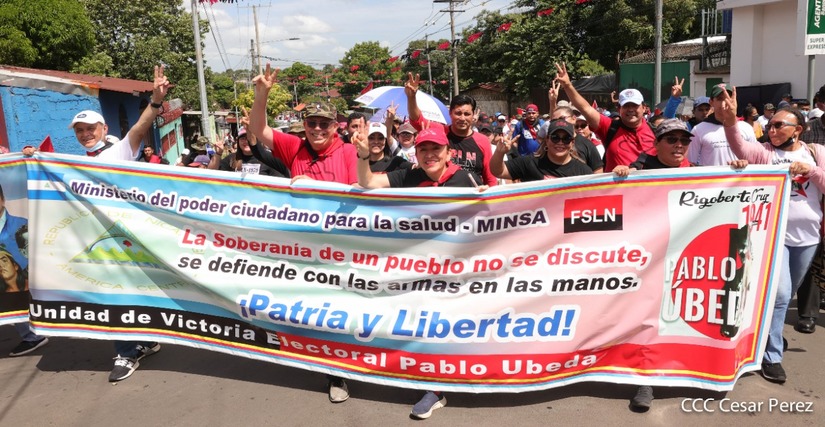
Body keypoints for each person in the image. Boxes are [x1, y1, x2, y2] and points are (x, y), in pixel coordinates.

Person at [26, 65, 170, 381]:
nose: (85, 134)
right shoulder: (77, 162)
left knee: (115, 294)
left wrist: (156, 101)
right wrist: (33, 157)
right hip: (97, 240)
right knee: (118, 292)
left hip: (123, 237)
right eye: (79, 130)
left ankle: (127, 353)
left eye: (90, 128)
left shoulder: (118, 151)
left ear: (103, 128)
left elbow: (139, 128)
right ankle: (143, 342)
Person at [614, 118, 747, 410]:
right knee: (649, 319)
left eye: (684, 141)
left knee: (688, 314)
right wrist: (623, 174)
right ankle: (645, 380)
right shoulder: (641, 169)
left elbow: (725, 193)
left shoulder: (697, 172)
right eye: (672, 140)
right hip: (649, 259)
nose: (679, 145)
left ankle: (694, 368)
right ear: (656, 143)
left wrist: (736, 171)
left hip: (685, 259)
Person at [354, 126, 485, 419]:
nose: (429, 155)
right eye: (423, 149)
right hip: (416, 269)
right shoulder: (410, 176)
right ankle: (432, 384)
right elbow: (368, 182)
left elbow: (492, 217)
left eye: (436, 149)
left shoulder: (465, 179)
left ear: (448, 153)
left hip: (455, 271)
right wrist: (362, 156)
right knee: (420, 324)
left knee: (446, 326)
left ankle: (439, 386)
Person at [718, 85, 825, 384]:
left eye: (779, 125)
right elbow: (741, 148)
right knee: (780, 294)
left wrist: (812, 171)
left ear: (798, 130)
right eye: (770, 125)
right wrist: (730, 120)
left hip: (807, 238)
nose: (771, 130)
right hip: (772, 236)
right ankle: (772, 356)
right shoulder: (765, 152)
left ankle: (768, 333)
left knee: (786, 294)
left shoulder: (816, 152)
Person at [250, 64, 357, 186]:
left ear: (335, 127)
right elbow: (257, 128)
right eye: (312, 123)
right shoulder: (294, 148)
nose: (317, 128)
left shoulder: (348, 151)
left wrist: (313, 186)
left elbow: (356, 192)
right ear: (305, 125)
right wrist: (261, 95)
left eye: (324, 124)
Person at [554, 62, 655, 172]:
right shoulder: (609, 127)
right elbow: (586, 108)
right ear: (619, 109)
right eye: (626, 106)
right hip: (615, 183)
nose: (630, 109)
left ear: (644, 108)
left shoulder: (656, 132)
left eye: (635, 105)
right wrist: (568, 85)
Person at [404, 72, 498, 187]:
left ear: (473, 115)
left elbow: (491, 179)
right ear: (450, 113)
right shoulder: (439, 131)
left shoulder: (482, 141)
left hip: (472, 194)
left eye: (467, 114)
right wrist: (411, 97)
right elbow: (416, 119)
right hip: (442, 193)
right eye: (458, 113)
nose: (462, 118)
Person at [0, 184, 48, 357]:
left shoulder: (21, 226)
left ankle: (33, 336)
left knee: (17, 296)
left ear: (2, 199)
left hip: (20, 283)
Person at [491, 120, 593, 181]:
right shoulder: (530, 163)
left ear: (572, 142)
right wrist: (499, 152)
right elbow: (498, 172)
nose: (560, 142)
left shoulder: (584, 172)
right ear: (547, 140)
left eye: (566, 139)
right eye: (555, 138)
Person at [688, 84, 758, 166]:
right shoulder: (698, 130)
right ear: (711, 102)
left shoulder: (746, 128)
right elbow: (691, 163)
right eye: (720, 99)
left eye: (728, 98)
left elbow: (756, 159)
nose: (725, 102)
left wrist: (745, 163)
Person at [549, 107, 604, 173]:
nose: (559, 122)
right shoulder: (547, 143)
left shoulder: (588, 145)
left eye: (562, 118)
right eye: (554, 121)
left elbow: (598, 171)